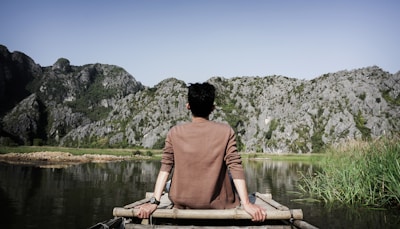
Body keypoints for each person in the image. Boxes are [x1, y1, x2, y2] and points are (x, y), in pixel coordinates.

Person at [136, 82, 266, 222]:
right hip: (219, 203)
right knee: (228, 174)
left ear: (188, 106)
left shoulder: (174, 133)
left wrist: (154, 201)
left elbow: (166, 166)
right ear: (212, 108)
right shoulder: (226, 131)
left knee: (169, 183)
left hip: (182, 202)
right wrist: (246, 203)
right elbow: (235, 166)